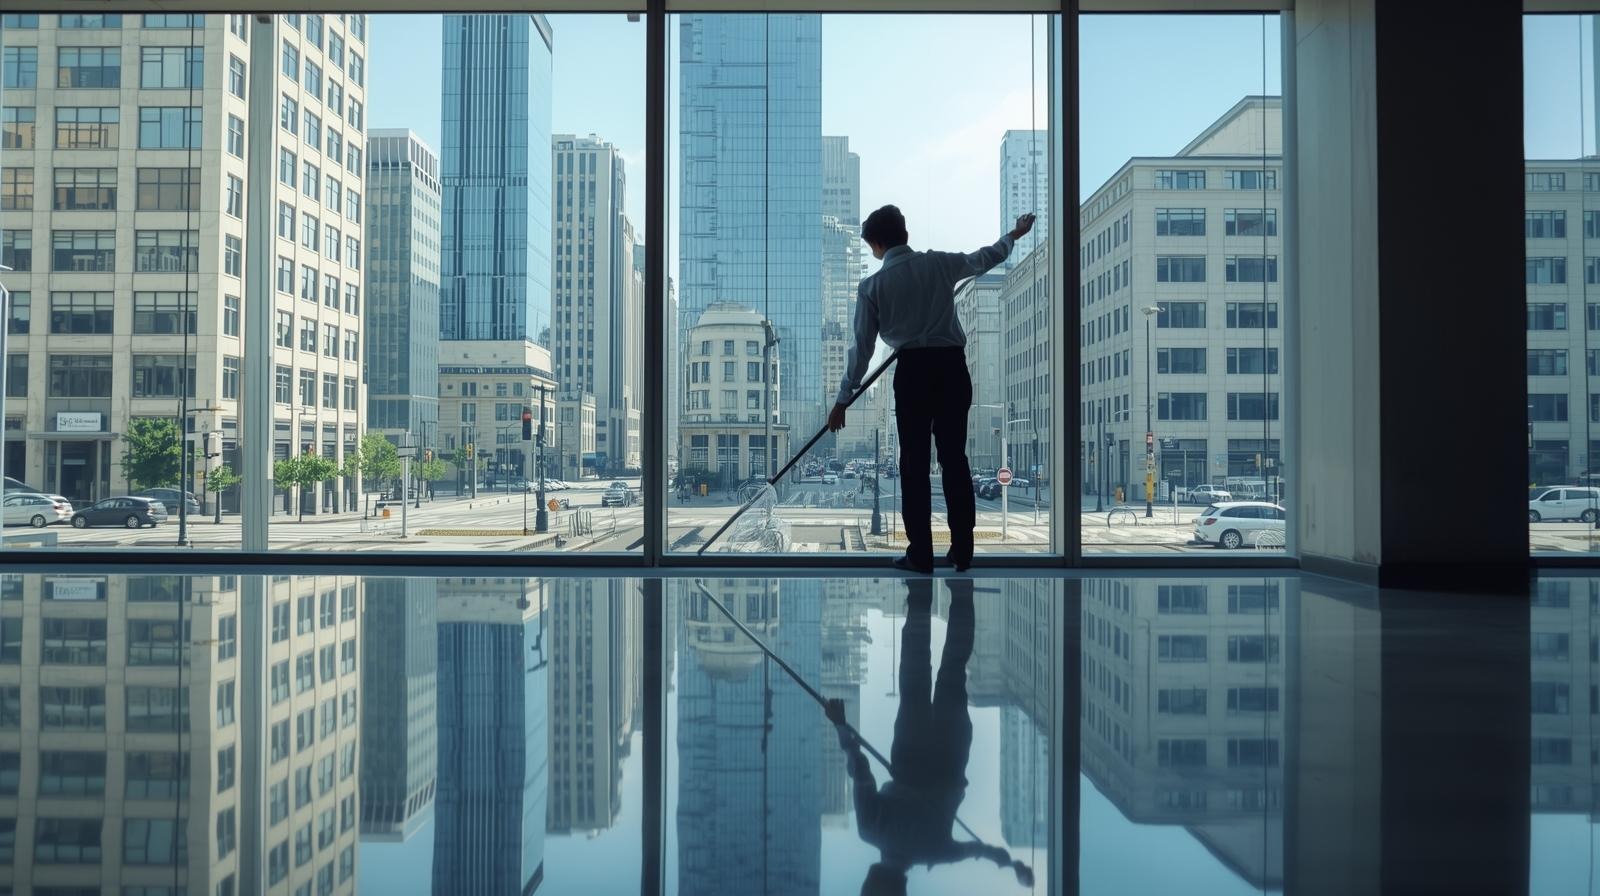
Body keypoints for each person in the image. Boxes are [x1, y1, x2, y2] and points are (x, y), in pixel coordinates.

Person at [829, 205, 1035, 574]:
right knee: (954, 459)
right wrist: (1013, 236)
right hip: (952, 367)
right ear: (904, 232)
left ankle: (920, 553)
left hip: (912, 373)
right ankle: (963, 550)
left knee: (913, 465)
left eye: (872, 249)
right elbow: (982, 259)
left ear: (877, 244)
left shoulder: (872, 286)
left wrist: (844, 399)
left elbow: (861, 350)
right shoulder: (937, 264)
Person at [825, 579, 1033, 895]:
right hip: (911, 752)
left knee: (953, 668)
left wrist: (1012, 866)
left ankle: (961, 594)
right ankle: (920, 592)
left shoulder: (935, 852)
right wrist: (841, 727)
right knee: (914, 669)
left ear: (903, 887)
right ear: (870, 883)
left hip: (950, 758)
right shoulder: (871, 830)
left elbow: (980, 852)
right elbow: (861, 771)